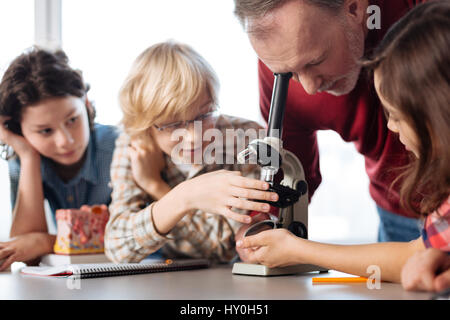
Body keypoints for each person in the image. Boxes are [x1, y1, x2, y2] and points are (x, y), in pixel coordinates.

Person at [236, 1, 450, 288]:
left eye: (314, 61)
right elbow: (291, 182)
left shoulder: (432, 22)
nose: (309, 88)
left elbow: (414, 256)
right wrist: (263, 224)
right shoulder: (282, 66)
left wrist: (296, 249)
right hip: (402, 209)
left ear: (354, 8)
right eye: (289, 73)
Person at [104, 41, 278, 263]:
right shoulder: (135, 144)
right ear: (146, 124)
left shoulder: (246, 138)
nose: (194, 136)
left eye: (204, 115)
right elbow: (118, 247)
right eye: (174, 124)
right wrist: (183, 198)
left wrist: (159, 188)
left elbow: (224, 248)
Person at [0, 48, 118, 271]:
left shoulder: (117, 148)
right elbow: (28, 252)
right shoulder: (25, 157)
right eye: (45, 131)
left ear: (86, 105)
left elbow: (130, 241)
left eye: (72, 120)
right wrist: (28, 157)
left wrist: (46, 241)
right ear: (20, 132)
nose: (65, 140)